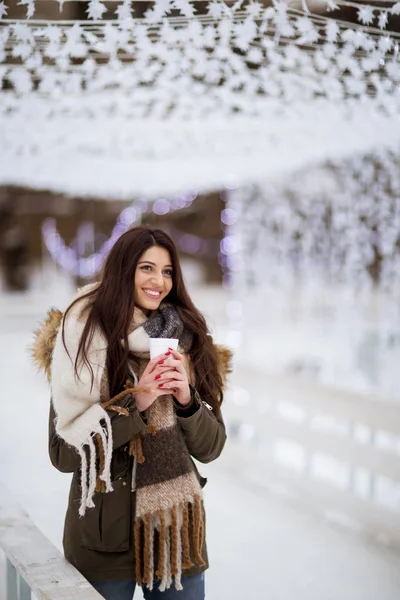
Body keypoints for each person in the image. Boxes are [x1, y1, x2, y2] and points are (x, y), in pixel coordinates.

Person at [32, 226, 230, 600]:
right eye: (146, 268)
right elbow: (62, 454)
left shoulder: (189, 338)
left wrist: (187, 400)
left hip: (176, 534)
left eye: (168, 271)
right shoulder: (81, 340)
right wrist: (135, 403)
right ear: (124, 270)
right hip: (103, 539)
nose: (159, 281)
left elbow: (212, 446)